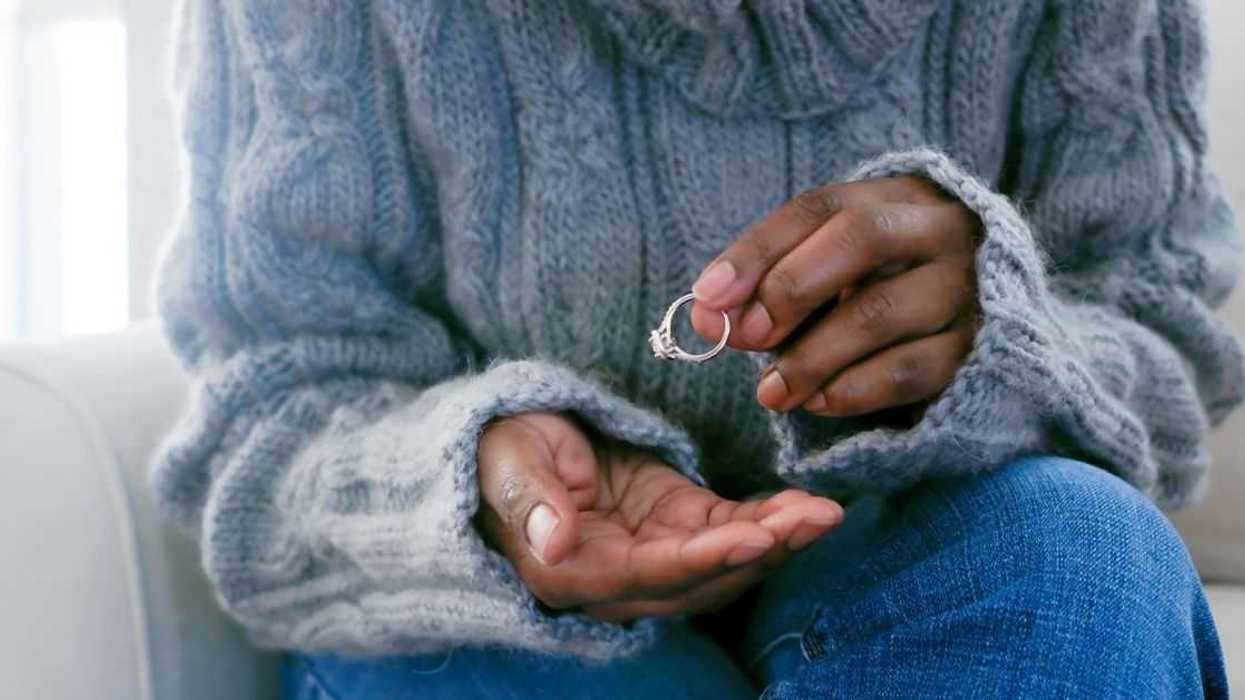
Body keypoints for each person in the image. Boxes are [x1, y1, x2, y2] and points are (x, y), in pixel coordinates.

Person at [152, 0, 1240, 697]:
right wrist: (472, 486)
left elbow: (1170, 333)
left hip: (930, 564)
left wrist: (1007, 340)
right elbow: (269, 413)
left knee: (1084, 554)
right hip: (500, 634)